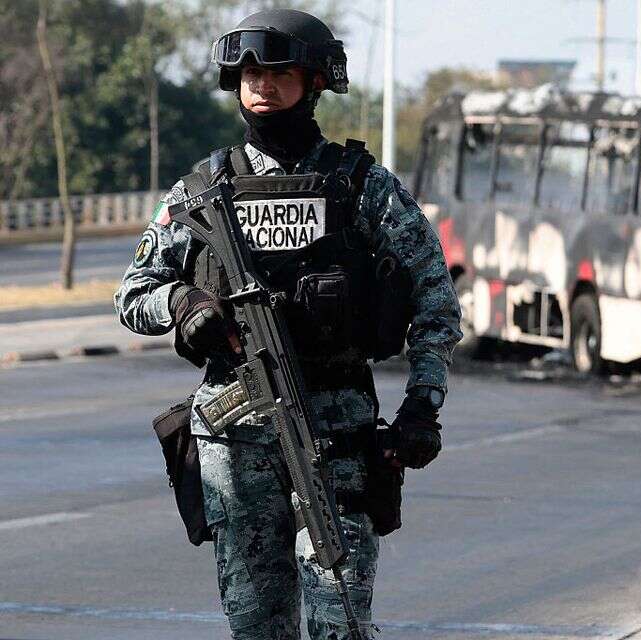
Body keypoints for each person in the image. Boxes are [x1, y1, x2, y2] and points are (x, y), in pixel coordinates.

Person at [114, 9, 461, 639]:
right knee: (257, 628)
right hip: (234, 442)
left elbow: (435, 298)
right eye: (250, 72)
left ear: (316, 80)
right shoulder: (200, 190)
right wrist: (184, 307)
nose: (263, 85)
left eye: (280, 71)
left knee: (341, 624)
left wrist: (422, 406)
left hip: (335, 439)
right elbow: (133, 293)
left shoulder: (361, 188)